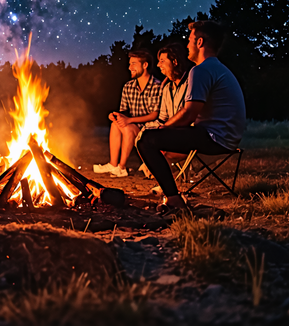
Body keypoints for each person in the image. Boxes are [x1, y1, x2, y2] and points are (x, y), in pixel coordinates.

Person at [136, 21, 246, 211]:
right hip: (225, 137)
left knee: (146, 140)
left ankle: (173, 199)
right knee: (154, 137)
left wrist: (164, 129)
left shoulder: (201, 70)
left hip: (215, 138)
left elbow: (188, 114)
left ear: (200, 42)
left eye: (190, 40)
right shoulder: (217, 68)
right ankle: (172, 194)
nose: (187, 45)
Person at [94, 50, 161, 177]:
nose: (130, 67)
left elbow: (154, 115)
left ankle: (122, 167)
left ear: (145, 65)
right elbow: (123, 111)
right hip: (135, 127)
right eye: (130, 64)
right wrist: (115, 115)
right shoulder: (128, 86)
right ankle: (113, 164)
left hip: (151, 129)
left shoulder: (156, 86)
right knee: (115, 124)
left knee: (128, 128)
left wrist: (129, 120)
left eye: (134, 64)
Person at [138, 43, 191, 177]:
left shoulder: (190, 84)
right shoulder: (167, 88)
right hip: (171, 133)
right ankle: (155, 172)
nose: (158, 65)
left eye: (162, 61)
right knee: (143, 137)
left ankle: (167, 188)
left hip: (189, 135)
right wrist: (146, 130)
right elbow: (162, 117)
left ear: (174, 62)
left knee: (158, 150)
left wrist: (164, 129)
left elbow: (189, 116)